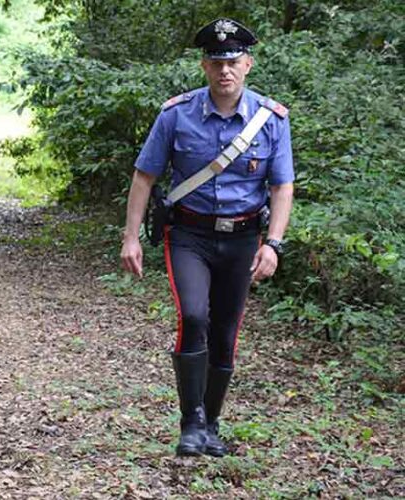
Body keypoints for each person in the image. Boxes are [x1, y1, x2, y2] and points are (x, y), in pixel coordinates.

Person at [120, 18, 294, 457]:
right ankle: (190, 421)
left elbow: (281, 187)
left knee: (225, 329)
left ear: (248, 64)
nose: (225, 71)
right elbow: (144, 177)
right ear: (204, 66)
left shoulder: (270, 120)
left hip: (241, 239)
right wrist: (131, 238)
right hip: (188, 236)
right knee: (194, 316)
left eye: (233, 62)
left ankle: (211, 423)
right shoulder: (176, 115)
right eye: (216, 63)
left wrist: (272, 244)